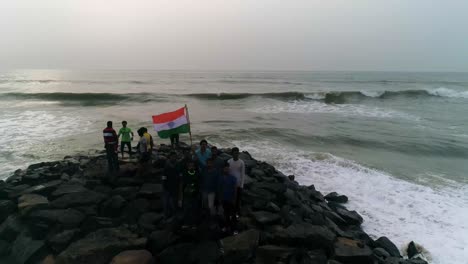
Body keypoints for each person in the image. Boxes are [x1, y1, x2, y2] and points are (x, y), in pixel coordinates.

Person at [162, 151, 181, 218]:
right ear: (169, 157)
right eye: (172, 156)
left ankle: (173, 214)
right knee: (166, 202)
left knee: (173, 202)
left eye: (175, 157)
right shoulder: (166, 165)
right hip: (167, 186)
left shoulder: (178, 165)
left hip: (175, 186)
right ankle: (166, 215)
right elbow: (164, 176)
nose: (173, 158)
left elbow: (179, 176)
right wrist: (164, 184)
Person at [182, 160, 201, 226]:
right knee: (186, 210)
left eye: (192, 166)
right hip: (186, 194)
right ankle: (185, 223)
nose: (191, 167)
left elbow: (199, 184)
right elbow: (182, 184)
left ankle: (194, 224)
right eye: (189, 166)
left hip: (195, 195)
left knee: (194, 210)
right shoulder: (184, 173)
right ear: (187, 166)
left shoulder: (197, 173)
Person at [221, 162, 237, 234]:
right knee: (226, 214)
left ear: (229, 169)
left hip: (231, 199)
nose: (226, 170)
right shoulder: (220, 178)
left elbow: (235, 189)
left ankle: (234, 229)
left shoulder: (233, 178)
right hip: (223, 199)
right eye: (225, 168)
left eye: (227, 168)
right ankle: (226, 227)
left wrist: (234, 199)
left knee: (233, 215)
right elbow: (219, 188)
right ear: (223, 169)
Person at [228, 147, 245, 217]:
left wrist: (242, 185)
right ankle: (230, 211)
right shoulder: (229, 161)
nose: (236, 154)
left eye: (237, 153)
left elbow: (243, 174)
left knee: (238, 199)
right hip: (230, 184)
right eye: (234, 153)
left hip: (238, 184)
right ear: (232, 154)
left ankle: (237, 212)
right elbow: (227, 172)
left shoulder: (241, 162)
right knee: (230, 199)